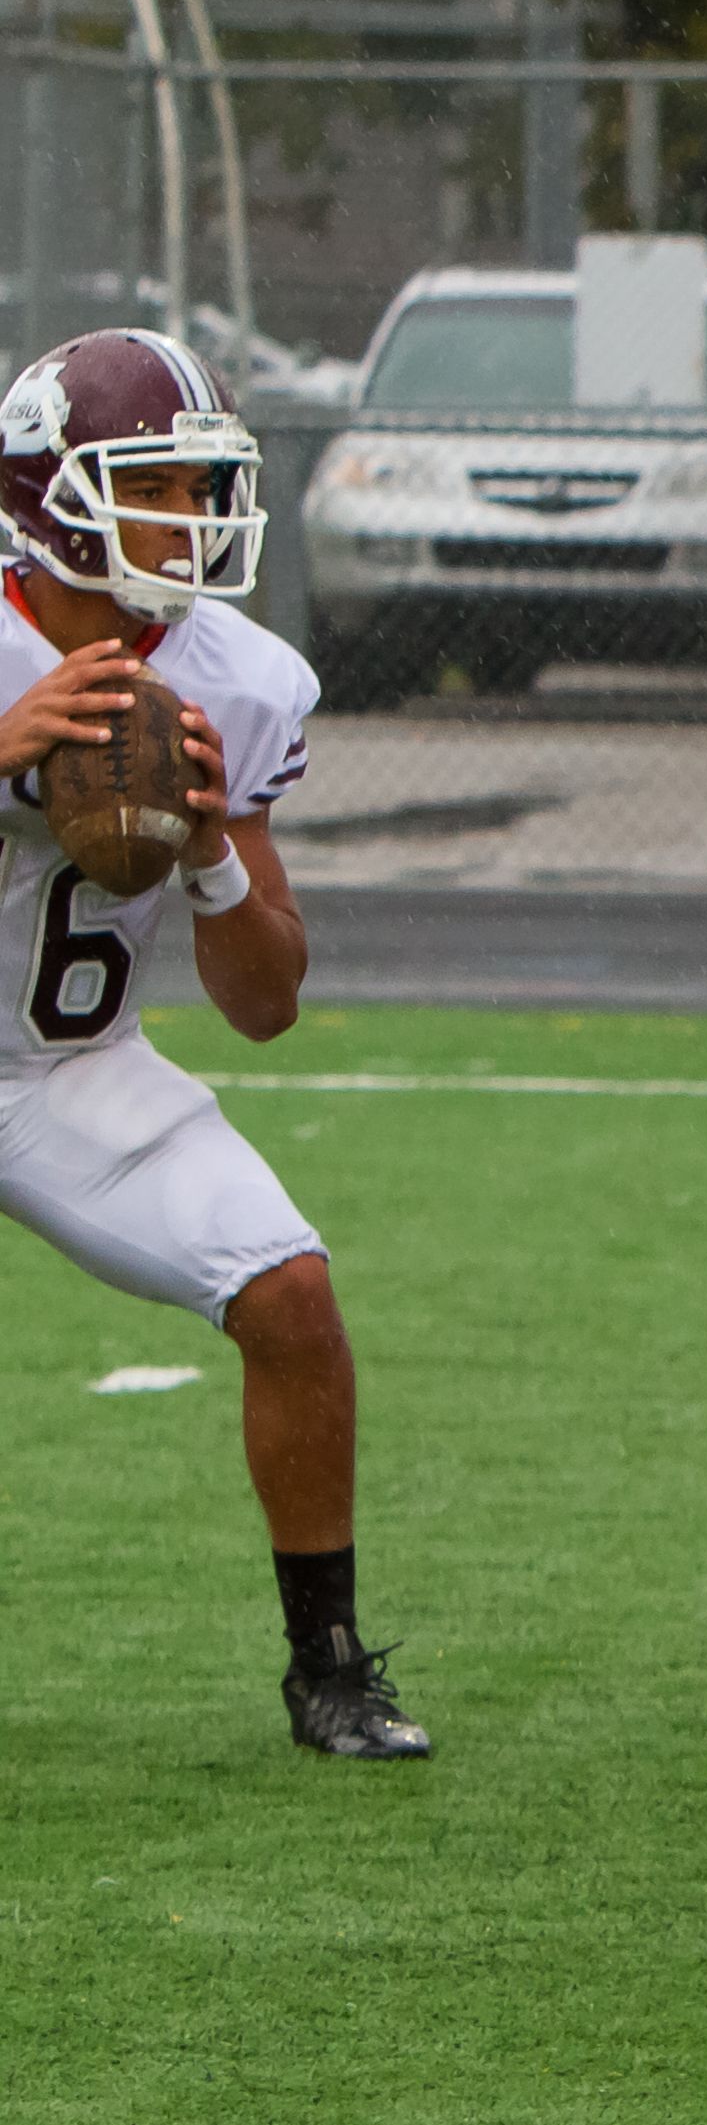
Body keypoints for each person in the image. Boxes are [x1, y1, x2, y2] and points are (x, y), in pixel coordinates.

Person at [0, 329, 429, 1759]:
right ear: (52, 492)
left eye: (201, 486)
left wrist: (208, 855)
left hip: (66, 1068)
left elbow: (264, 1002)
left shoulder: (233, 678)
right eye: (158, 485)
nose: (193, 517)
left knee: (291, 1295)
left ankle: (330, 1667)